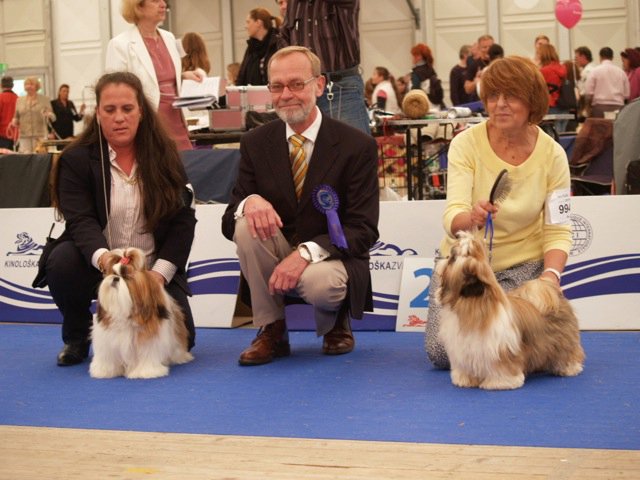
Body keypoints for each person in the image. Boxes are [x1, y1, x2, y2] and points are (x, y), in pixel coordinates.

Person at [221, 46, 379, 366]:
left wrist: (306, 253)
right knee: (244, 225)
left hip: (330, 258)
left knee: (319, 283)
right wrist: (250, 202)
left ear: (319, 86)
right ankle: (272, 329)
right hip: (276, 249)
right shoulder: (255, 142)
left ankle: (336, 323)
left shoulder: (356, 145)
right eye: (277, 86)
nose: (286, 95)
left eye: (297, 84)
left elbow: (362, 229)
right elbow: (228, 221)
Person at [32, 71, 197, 367]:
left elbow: (183, 222)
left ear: (141, 113)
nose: (119, 117)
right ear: (98, 114)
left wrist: (157, 276)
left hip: (151, 267)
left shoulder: (166, 156)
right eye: (110, 110)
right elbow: (80, 220)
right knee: (61, 262)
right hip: (97, 263)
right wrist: (105, 259)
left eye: (127, 109)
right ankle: (78, 336)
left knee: (184, 340)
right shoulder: (76, 159)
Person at [424, 56, 572, 369]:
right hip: (467, 267)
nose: (499, 104)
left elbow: (559, 227)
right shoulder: (465, 144)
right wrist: (472, 217)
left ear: (532, 102)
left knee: (498, 342)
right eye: (493, 96)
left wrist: (550, 277)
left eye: (511, 96)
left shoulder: (553, 155)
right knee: (442, 355)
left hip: (523, 265)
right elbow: (453, 216)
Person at [105, 0, 202, 151]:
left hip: (178, 122)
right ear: (139, 7)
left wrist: (183, 76)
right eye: (155, 0)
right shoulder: (119, 44)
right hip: (148, 126)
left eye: (164, 1)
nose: (163, 4)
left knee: (186, 170)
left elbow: (161, 77)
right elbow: (114, 93)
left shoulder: (169, 37)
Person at [278, 0, 371, 134]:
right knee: (311, 151)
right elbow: (284, 36)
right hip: (307, 89)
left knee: (353, 149)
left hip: (341, 88)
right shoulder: (295, 4)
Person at [236, 8, 282, 86]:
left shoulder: (278, 44)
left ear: (258, 23)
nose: (246, 26)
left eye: (248, 22)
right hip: (254, 95)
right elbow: (241, 76)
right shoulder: (251, 47)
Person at [8, 76, 55, 153]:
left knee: (40, 158)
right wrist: (14, 121)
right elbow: (16, 117)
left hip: (40, 135)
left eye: (31, 84)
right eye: (27, 84)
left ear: (37, 86)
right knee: (25, 159)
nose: (29, 86)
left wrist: (49, 114)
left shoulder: (45, 99)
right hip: (24, 136)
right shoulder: (19, 100)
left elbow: (54, 118)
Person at [584, 47, 630, 118]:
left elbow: (588, 93)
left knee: (600, 129)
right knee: (616, 128)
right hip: (618, 107)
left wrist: (588, 108)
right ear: (612, 57)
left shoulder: (595, 71)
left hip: (599, 108)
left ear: (600, 57)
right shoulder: (621, 72)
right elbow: (627, 94)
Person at [410, 43, 445, 110]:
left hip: (423, 107)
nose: (412, 58)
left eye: (413, 55)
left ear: (419, 56)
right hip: (436, 106)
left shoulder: (416, 72)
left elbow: (415, 91)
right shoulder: (431, 69)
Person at [464, 34, 494, 100]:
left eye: (490, 47)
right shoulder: (474, 64)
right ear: (479, 48)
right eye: (484, 47)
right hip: (480, 103)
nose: (488, 50)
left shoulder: (499, 63)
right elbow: (467, 89)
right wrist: (477, 81)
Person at [0, 76, 18, 150]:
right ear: (12, 86)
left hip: (2, 135)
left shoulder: (0, 98)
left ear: (1, 85)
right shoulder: (18, 98)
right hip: (16, 135)